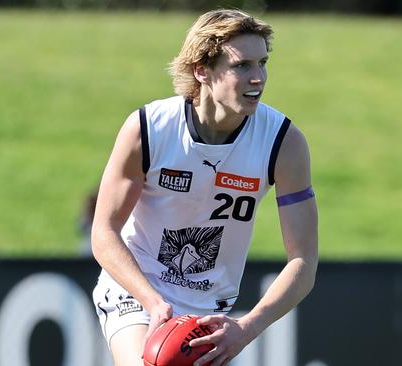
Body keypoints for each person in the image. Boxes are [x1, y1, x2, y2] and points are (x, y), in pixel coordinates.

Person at [91, 9, 318, 366]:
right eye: (242, 66)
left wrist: (246, 328)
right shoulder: (149, 129)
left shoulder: (283, 143)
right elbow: (104, 232)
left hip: (210, 312)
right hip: (137, 292)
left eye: (263, 63)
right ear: (202, 70)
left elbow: (303, 262)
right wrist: (153, 302)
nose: (258, 78)